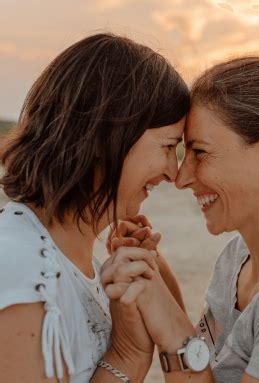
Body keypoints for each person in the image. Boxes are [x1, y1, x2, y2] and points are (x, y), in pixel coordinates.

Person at [102, 56, 259, 382]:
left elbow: (183, 349)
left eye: (200, 152)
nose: (181, 178)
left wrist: (166, 322)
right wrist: (152, 272)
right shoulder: (237, 258)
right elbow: (200, 366)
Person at [0, 33, 189, 382]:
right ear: (106, 136)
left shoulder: (80, 263)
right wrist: (127, 354)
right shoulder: (18, 269)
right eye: (167, 146)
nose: (173, 173)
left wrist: (155, 272)